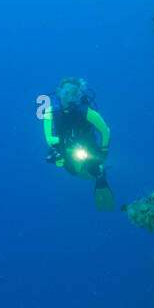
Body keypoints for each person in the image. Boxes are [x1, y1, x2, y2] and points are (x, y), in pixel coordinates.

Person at [43, 77, 114, 211]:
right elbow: (48, 138)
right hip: (65, 147)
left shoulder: (87, 113)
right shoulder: (49, 112)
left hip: (88, 146)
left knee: (93, 167)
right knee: (70, 169)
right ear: (59, 92)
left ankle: (99, 174)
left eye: (74, 94)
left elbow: (105, 130)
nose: (70, 97)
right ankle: (94, 175)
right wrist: (62, 145)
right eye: (66, 93)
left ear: (80, 95)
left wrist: (104, 152)